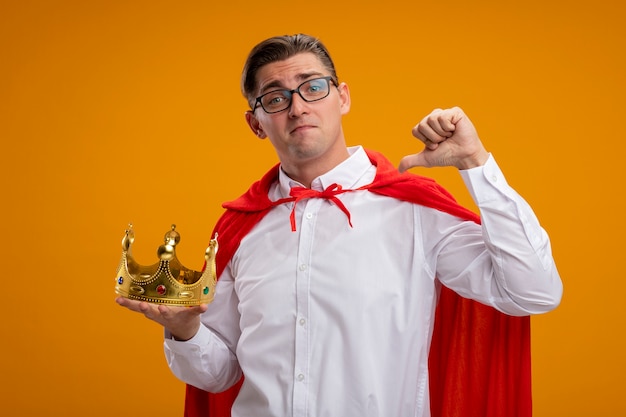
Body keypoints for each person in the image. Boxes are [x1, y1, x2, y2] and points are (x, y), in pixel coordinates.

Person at [116, 34, 563, 417]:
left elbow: (533, 292)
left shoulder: (415, 212)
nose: (297, 107)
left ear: (342, 97)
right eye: (276, 97)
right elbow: (221, 373)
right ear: (256, 123)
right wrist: (185, 331)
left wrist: (474, 163)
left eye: (313, 87)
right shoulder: (239, 228)